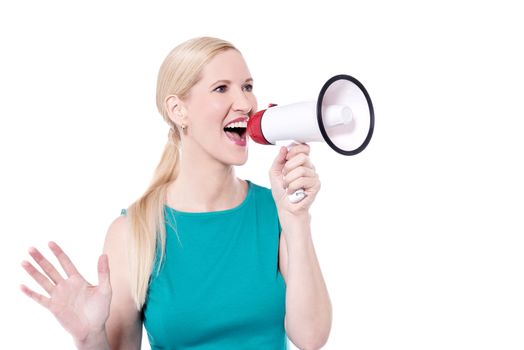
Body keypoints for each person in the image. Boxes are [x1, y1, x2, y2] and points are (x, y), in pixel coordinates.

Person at [20, 37, 332, 350]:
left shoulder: (276, 211)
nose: (246, 104)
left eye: (247, 87)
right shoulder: (133, 232)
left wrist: (296, 219)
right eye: (222, 88)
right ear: (178, 110)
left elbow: (311, 337)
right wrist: (89, 337)